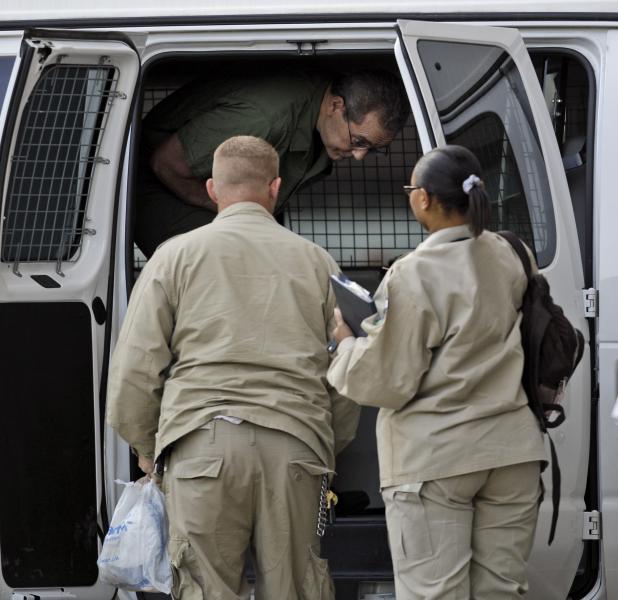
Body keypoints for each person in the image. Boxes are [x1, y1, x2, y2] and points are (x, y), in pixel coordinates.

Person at [107, 136, 360, 599]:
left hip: (201, 446)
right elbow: (347, 368)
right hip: (296, 446)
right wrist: (327, 443)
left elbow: (135, 370)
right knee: (296, 588)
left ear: (211, 189)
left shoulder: (173, 256)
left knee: (204, 587)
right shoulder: (317, 262)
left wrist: (150, 448)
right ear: (275, 187)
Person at [326, 145, 547, 599]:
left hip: (436, 460)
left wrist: (346, 344)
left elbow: (388, 379)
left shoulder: (413, 273)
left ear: (423, 198)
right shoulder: (513, 254)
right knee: (503, 591)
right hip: (512, 452)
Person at [135, 68, 410, 257]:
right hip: (152, 183)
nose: (359, 156)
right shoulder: (268, 118)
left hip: (215, 194)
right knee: (233, 262)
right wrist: (231, 211)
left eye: (372, 149)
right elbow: (166, 163)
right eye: (359, 141)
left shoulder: (321, 121)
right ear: (336, 106)